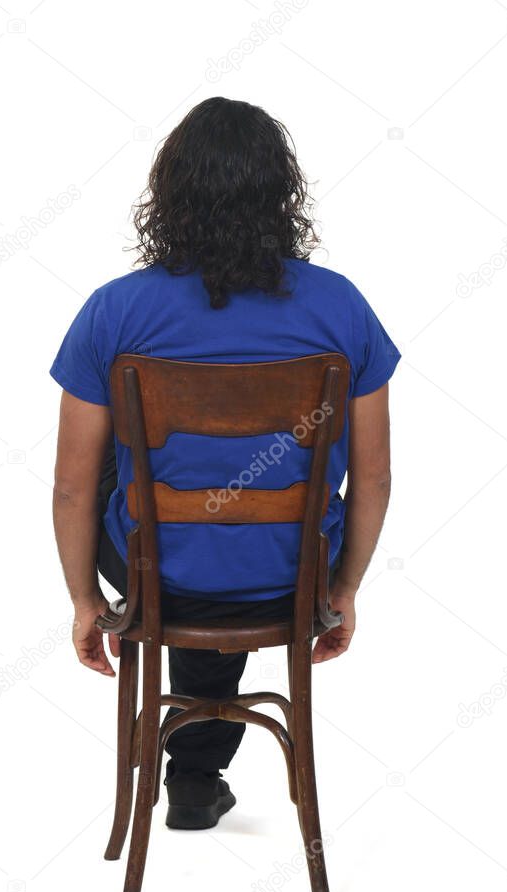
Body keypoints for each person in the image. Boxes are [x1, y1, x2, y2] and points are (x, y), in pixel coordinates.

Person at [50, 97, 400, 830]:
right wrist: (342, 588)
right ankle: (197, 771)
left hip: (157, 569)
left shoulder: (114, 311)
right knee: (239, 504)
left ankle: (194, 772)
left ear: (170, 192)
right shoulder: (342, 307)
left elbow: (72, 485)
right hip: (290, 569)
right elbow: (371, 477)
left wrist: (85, 600)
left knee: (136, 479)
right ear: (281, 194)